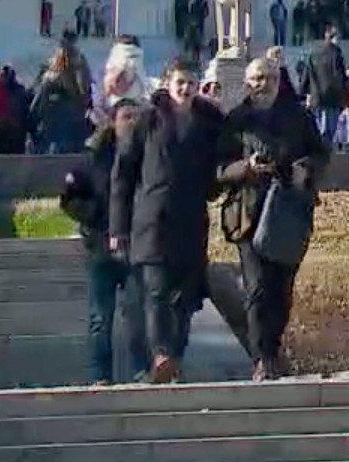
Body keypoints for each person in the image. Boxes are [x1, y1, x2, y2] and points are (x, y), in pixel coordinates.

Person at [109, 60, 226, 384]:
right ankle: (161, 354)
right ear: (166, 84)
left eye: (190, 82)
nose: (185, 89)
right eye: (179, 82)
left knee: (185, 298)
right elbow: (123, 176)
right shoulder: (148, 120)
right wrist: (118, 229)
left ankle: (175, 356)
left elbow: (219, 162)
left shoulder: (207, 123)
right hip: (153, 220)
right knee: (157, 293)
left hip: (190, 220)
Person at [219, 54, 328, 380]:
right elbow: (219, 169)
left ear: (279, 81)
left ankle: (275, 345)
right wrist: (246, 168)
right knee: (257, 287)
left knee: (281, 287)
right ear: (246, 84)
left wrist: (302, 171)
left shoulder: (298, 117)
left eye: (268, 78)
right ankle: (261, 356)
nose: (262, 85)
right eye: (255, 79)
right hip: (248, 213)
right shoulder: (237, 121)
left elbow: (321, 153)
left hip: (288, 212)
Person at [59, 96, 150, 385]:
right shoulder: (93, 158)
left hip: (137, 247)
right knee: (101, 318)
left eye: (136, 117)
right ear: (113, 121)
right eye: (126, 117)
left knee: (137, 315)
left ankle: (142, 369)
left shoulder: (149, 157)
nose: (131, 123)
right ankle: (101, 376)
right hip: (101, 248)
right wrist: (97, 217)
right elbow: (70, 200)